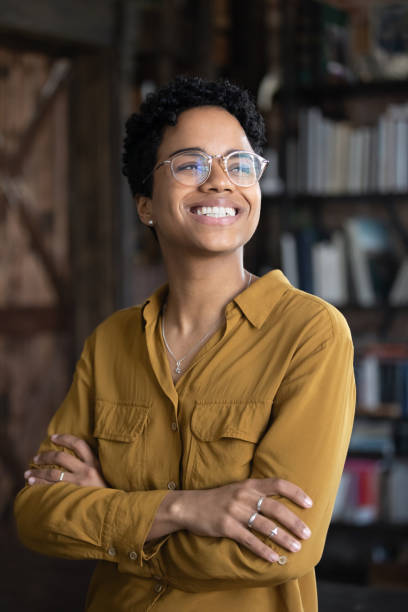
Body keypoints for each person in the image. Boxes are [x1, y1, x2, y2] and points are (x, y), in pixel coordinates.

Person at [14, 75, 355, 612]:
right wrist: (184, 510)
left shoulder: (309, 335)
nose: (220, 183)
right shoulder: (110, 342)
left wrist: (116, 520)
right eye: (191, 164)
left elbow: (280, 549)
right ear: (146, 203)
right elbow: (36, 514)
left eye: (240, 165)